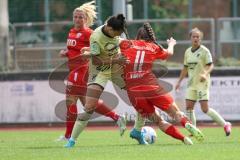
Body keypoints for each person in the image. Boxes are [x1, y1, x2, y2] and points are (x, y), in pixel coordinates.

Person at [120, 23, 204, 144]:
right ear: (150, 35)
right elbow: (169, 53)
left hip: (134, 92)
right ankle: (186, 124)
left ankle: (183, 139)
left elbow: (112, 42)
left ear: (138, 36)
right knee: (176, 113)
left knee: (159, 121)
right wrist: (171, 44)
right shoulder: (153, 47)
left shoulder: (127, 44)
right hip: (151, 87)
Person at [57, 1, 126, 142]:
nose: (77, 19)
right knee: (88, 104)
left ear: (86, 19)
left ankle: (68, 136)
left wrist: (88, 51)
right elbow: (74, 49)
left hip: (81, 71)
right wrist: (66, 53)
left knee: (70, 101)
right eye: (75, 16)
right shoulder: (71, 32)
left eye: (80, 17)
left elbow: (98, 50)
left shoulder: (89, 33)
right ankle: (117, 118)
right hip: (74, 70)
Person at [175, 27, 231, 136]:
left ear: (200, 39)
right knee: (189, 107)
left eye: (198, 37)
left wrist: (205, 74)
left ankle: (225, 124)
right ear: (190, 38)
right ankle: (194, 130)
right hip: (191, 84)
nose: (196, 38)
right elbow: (185, 68)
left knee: (205, 109)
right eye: (194, 36)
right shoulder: (187, 52)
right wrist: (179, 81)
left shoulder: (204, 51)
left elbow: (211, 65)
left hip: (202, 83)